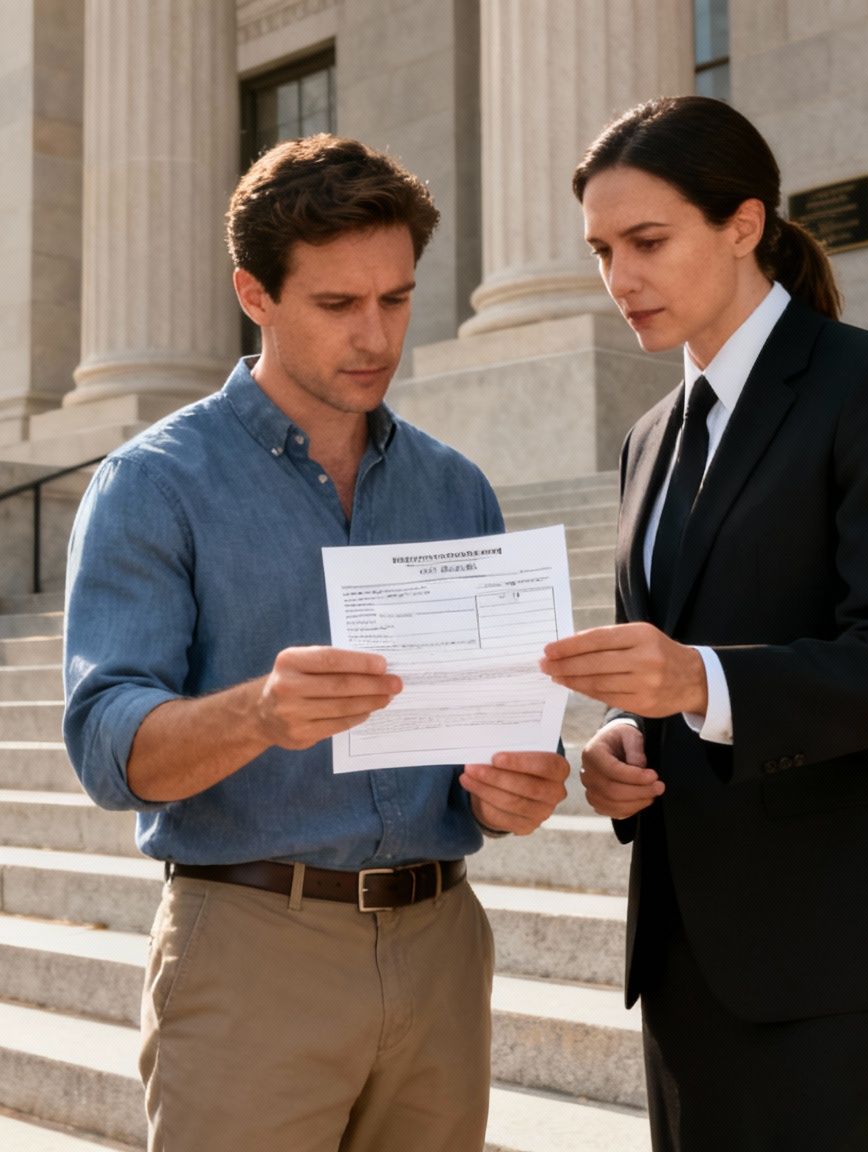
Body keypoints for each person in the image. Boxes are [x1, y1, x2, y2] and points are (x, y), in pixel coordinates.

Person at [61, 134, 573, 1152]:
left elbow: (495, 731)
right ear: (254, 295)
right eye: (337, 306)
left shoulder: (454, 488)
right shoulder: (153, 484)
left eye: (395, 298)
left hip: (439, 949)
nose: (374, 336)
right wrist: (256, 713)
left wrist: (520, 784)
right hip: (252, 953)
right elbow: (107, 746)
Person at [539, 97, 868, 1151]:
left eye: (645, 242)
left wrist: (697, 683)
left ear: (742, 224)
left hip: (848, 957)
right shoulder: (646, 438)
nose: (619, 279)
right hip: (688, 960)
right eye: (602, 250)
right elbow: (660, 663)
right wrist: (623, 738)